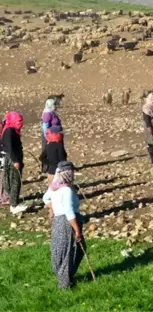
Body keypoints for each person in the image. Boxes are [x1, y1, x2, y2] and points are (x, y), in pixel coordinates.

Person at [42, 161, 85, 289]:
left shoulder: (54, 186)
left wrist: (52, 208)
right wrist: (77, 230)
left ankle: (67, 276)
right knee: (69, 252)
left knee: (66, 250)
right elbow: (69, 211)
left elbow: (45, 199)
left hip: (58, 222)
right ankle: (64, 284)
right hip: (67, 223)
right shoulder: (66, 190)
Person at [1, 111, 27, 214]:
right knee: (15, 181)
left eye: (21, 120)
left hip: (14, 158)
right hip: (12, 159)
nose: (20, 122)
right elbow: (9, 148)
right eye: (18, 120)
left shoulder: (12, 130)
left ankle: (13, 201)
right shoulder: (8, 131)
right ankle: (14, 205)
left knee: (13, 181)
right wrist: (15, 161)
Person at [41, 98, 63, 173]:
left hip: (56, 135)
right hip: (51, 137)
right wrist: (47, 137)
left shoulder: (51, 112)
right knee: (49, 151)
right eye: (54, 104)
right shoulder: (47, 114)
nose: (55, 106)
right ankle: (47, 168)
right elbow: (45, 127)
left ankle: (59, 166)